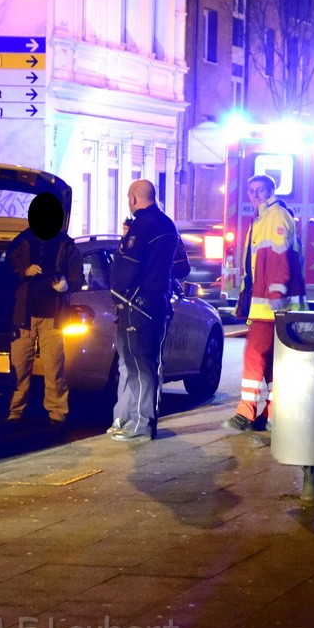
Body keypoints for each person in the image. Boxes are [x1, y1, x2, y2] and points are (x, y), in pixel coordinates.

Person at [223, 174, 307, 441]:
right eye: (251, 190)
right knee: (272, 361)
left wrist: (276, 293)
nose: (255, 194)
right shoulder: (261, 218)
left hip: (273, 305)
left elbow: (280, 256)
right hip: (265, 303)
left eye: (260, 190)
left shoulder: (276, 216)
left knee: (254, 355)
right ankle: (272, 415)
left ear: (271, 191)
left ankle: (245, 413)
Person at [108, 179, 181, 442]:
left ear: (134, 199)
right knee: (144, 364)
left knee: (139, 366)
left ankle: (141, 424)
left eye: (129, 198)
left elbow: (125, 267)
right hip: (158, 303)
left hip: (136, 305)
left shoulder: (141, 226)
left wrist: (118, 295)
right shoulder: (168, 225)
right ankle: (133, 420)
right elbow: (180, 266)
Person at [4, 192, 85, 429]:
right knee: (19, 367)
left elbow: (77, 276)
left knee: (54, 368)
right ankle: (14, 412)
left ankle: (57, 413)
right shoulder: (21, 242)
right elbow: (6, 272)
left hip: (53, 316)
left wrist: (66, 286)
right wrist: (24, 272)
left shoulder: (66, 244)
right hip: (24, 316)